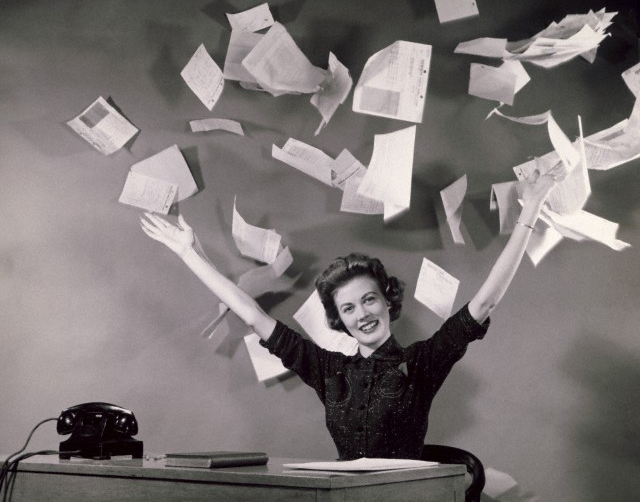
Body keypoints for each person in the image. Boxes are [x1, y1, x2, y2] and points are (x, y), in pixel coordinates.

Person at [140, 165, 564, 460]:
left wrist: (529, 212)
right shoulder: (327, 371)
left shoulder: (421, 363)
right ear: (338, 320)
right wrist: (189, 253)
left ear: (386, 300)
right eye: (347, 308)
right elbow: (250, 314)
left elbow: (485, 301)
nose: (361, 314)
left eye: (368, 300)